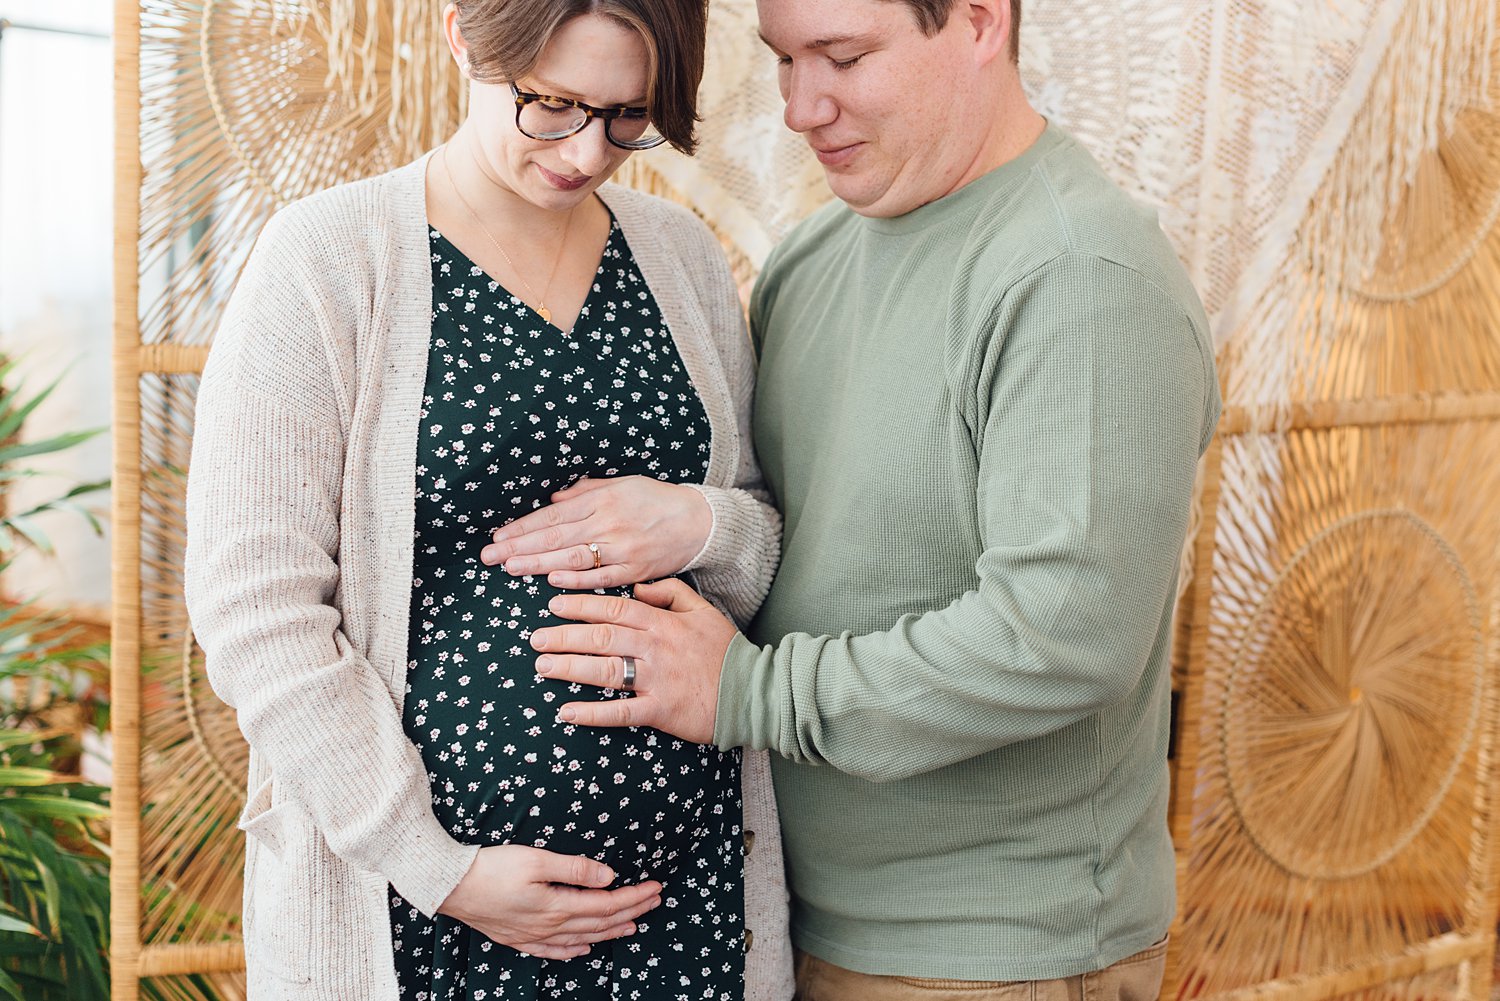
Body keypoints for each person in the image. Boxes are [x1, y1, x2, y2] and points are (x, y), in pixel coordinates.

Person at [519, 0, 1222, 998]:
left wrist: (747, 693)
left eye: (844, 57)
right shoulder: (811, 261)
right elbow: (790, 543)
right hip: (781, 916)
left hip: (992, 952)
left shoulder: (1078, 274)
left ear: (979, 22)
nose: (803, 106)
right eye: (785, 60)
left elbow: (1064, 632)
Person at [183, 1, 795, 998]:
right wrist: (443, 867)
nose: (587, 152)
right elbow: (255, 608)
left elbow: (763, 535)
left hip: (685, 899)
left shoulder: (679, 257)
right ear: (463, 36)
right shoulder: (326, 261)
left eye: (629, 117)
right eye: (551, 104)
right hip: (423, 917)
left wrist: (701, 522)